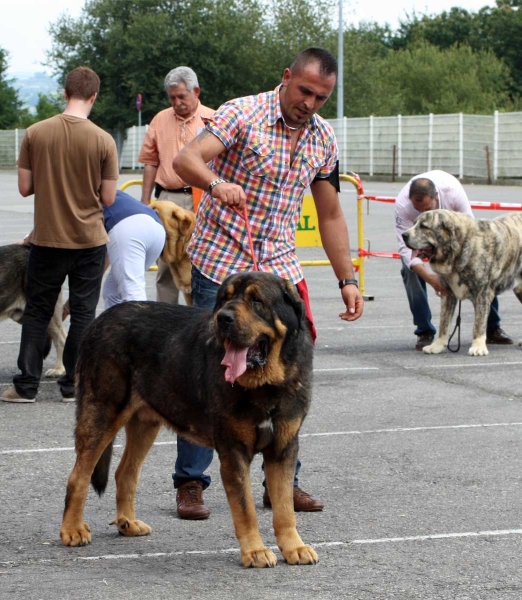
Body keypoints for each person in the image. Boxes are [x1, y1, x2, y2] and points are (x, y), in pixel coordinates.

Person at [171, 47, 364, 520]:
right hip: (222, 265)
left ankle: (284, 479)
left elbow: (331, 212)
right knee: (218, 372)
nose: (311, 104)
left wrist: (347, 277)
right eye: (305, 92)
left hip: (278, 270)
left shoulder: (322, 138)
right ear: (286, 78)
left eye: (322, 97)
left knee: (288, 371)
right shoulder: (244, 114)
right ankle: (192, 482)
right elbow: (187, 159)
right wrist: (216, 185)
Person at [1, 66, 118, 404]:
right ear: (93, 97)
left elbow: (24, 188)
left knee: (37, 312)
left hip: (47, 241)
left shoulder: (36, 133)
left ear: (64, 93)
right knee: (83, 312)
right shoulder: (103, 140)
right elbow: (108, 198)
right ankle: (73, 387)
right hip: (89, 241)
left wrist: (51, 180)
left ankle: (25, 387)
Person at [395, 170, 513, 350]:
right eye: (418, 210)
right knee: (409, 272)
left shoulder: (452, 192)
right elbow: (406, 249)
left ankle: (492, 328)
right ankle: (425, 331)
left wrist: (460, 262)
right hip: (420, 236)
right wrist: (431, 278)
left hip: (451, 235)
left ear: (436, 197)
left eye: (427, 209)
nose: (422, 212)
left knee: (482, 268)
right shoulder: (403, 205)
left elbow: (472, 231)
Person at [137, 66, 214, 303]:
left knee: (201, 259)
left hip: (202, 199)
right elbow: (150, 162)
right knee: (166, 263)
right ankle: (165, 320)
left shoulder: (214, 118)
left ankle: (199, 318)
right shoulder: (160, 119)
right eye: (172, 98)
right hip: (167, 201)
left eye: (182, 96)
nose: (177, 102)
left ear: (196, 91)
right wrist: (145, 200)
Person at [102, 190, 166, 309]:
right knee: (112, 291)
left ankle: (141, 327)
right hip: (156, 227)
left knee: (133, 294)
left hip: (128, 227)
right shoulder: (113, 191)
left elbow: (100, 259)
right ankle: (115, 327)